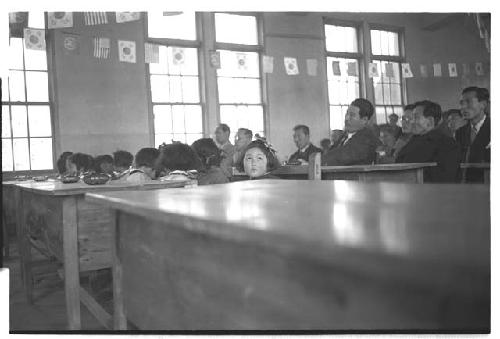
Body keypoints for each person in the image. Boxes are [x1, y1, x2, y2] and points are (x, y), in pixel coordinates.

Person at [395, 100, 460, 183]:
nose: (412, 122)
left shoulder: (447, 144)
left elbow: (444, 178)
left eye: (416, 117)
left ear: (430, 121)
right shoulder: (414, 140)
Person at [322, 98, 381, 165]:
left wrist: (319, 160)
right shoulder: (344, 136)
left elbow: (342, 156)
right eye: (347, 114)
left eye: (352, 115)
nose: (347, 118)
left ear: (364, 120)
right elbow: (330, 153)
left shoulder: (366, 139)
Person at [455, 86, 491, 182]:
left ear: (483, 104)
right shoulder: (460, 132)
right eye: (461, 103)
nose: (463, 107)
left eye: (468, 102)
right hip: (466, 185)